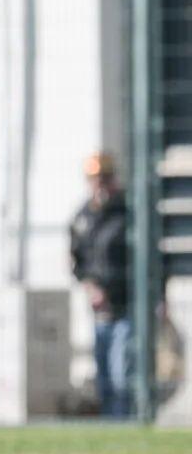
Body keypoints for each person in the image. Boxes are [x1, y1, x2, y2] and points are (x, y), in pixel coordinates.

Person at [70, 152, 131, 418]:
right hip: (98, 310)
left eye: (105, 178)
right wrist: (90, 286)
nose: (101, 184)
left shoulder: (126, 213)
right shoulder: (84, 217)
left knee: (121, 375)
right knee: (104, 376)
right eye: (96, 179)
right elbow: (77, 260)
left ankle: (124, 421)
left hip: (126, 304)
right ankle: (111, 423)